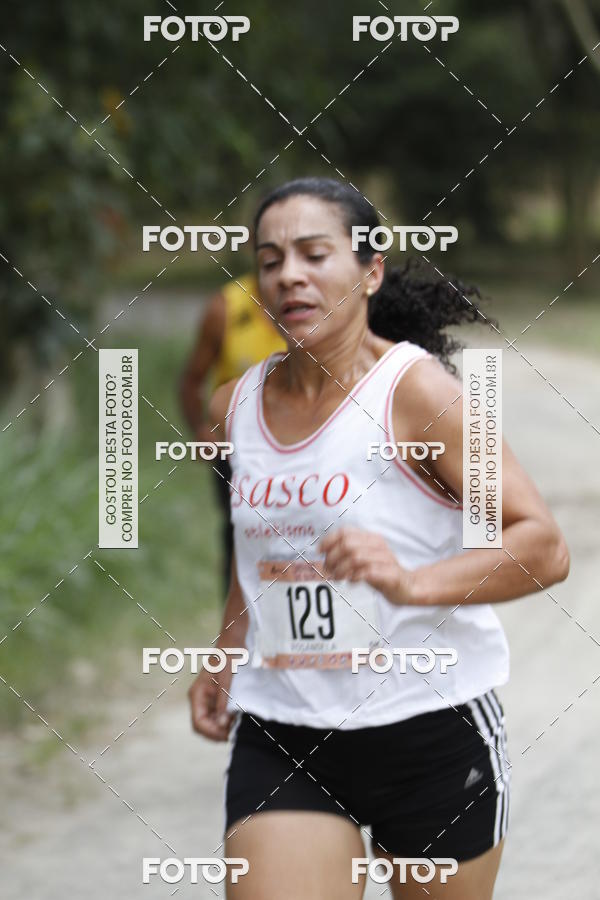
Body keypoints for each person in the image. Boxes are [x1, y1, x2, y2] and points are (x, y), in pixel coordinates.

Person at [187, 177, 570, 899]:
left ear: (370, 270)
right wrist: (227, 649)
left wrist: (412, 582)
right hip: (287, 730)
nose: (289, 274)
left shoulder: (420, 396)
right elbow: (260, 549)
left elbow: (543, 545)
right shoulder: (231, 406)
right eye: (270, 261)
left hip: (430, 730)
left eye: (312, 253)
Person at [179, 272, 286, 599]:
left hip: (301, 445)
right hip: (238, 452)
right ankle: (238, 631)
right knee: (243, 534)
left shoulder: (317, 302)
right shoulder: (225, 307)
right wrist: (201, 428)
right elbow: (192, 380)